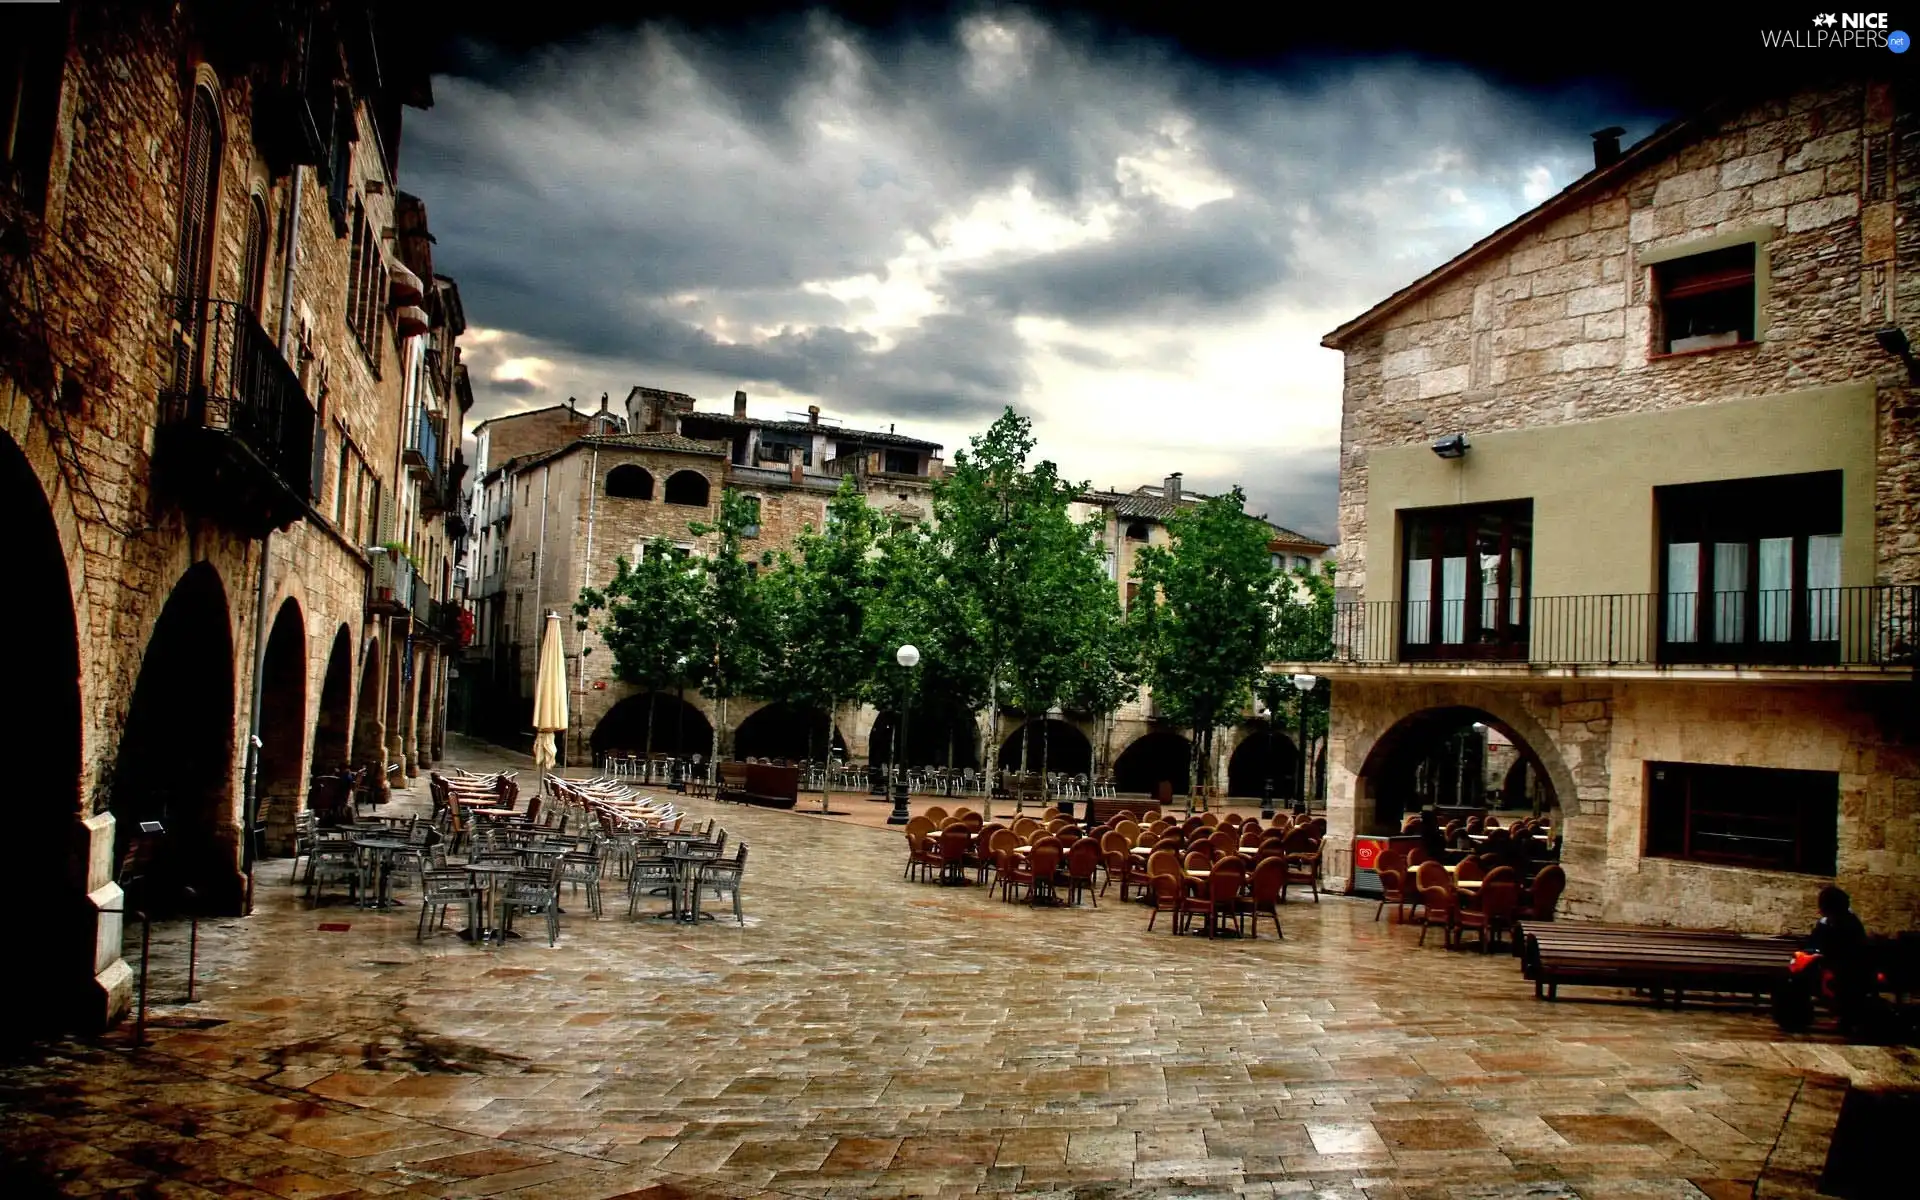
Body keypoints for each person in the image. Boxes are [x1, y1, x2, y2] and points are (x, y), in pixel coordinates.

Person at [1776, 886, 1872, 1033]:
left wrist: (1824, 958)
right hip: (1823, 967)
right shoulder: (1825, 923)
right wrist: (1809, 954)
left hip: (1846, 972)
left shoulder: (1850, 926)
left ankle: (1848, 1018)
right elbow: (1814, 943)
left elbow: (1851, 954)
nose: (1822, 911)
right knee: (1790, 979)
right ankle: (1795, 1017)